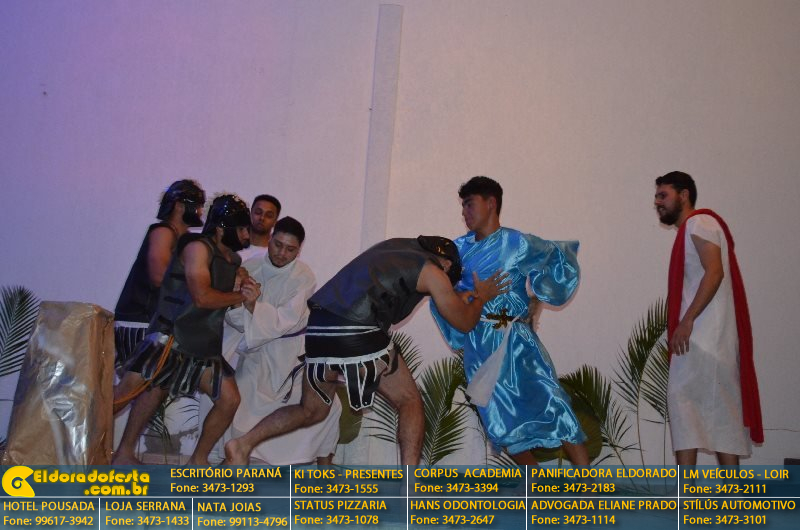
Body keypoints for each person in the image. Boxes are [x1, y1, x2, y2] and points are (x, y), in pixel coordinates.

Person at [224, 236, 509, 465]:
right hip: (357, 329)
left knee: (312, 410)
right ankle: (409, 487)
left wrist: (456, 296)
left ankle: (242, 444)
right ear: (445, 263)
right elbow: (463, 321)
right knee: (409, 401)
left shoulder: (395, 247)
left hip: (319, 328)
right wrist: (481, 298)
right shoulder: (434, 270)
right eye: (449, 278)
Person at [431, 176, 589, 466]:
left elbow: (558, 257)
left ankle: (588, 483)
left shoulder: (518, 243)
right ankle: (536, 483)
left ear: (491, 203)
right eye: (463, 206)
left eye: (469, 204)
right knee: (500, 424)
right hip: (480, 346)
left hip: (516, 342)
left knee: (553, 403)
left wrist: (537, 299)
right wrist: (469, 299)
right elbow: (441, 292)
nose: (464, 212)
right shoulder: (457, 251)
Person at [113, 194, 260, 465]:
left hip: (203, 345)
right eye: (240, 228)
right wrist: (241, 295)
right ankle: (87, 448)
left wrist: (241, 283)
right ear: (221, 228)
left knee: (229, 400)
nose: (245, 235)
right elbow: (202, 297)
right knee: (123, 397)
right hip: (170, 338)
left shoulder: (232, 261)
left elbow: (222, 290)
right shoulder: (197, 248)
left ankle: (198, 461)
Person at [654, 171, 763, 465]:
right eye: (657, 196)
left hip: (704, 339)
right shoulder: (694, 226)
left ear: (684, 194)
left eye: (663, 195)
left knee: (714, 416)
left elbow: (714, 272)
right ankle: (687, 491)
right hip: (701, 342)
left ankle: (709, 492)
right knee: (693, 415)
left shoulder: (700, 222)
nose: (658, 202)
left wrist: (686, 320)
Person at [224, 217, 342, 465]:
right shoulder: (249, 267)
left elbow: (288, 320)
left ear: (299, 251)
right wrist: (240, 302)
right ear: (269, 240)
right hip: (256, 353)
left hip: (291, 354)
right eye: (278, 245)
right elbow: (232, 316)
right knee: (240, 404)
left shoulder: (303, 276)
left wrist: (254, 305)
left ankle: (325, 471)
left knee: (330, 406)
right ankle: (236, 458)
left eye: (290, 249)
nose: (282, 253)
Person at [113, 179, 205, 368]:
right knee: (142, 381)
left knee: (156, 383)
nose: (200, 211)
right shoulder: (163, 232)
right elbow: (158, 276)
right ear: (179, 206)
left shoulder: (183, 239)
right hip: (141, 322)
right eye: (197, 205)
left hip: (155, 323)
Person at [239, 194, 281, 262]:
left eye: (269, 215)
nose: (262, 218)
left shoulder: (276, 255)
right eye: (258, 212)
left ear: (275, 221)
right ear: (249, 214)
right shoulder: (231, 246)